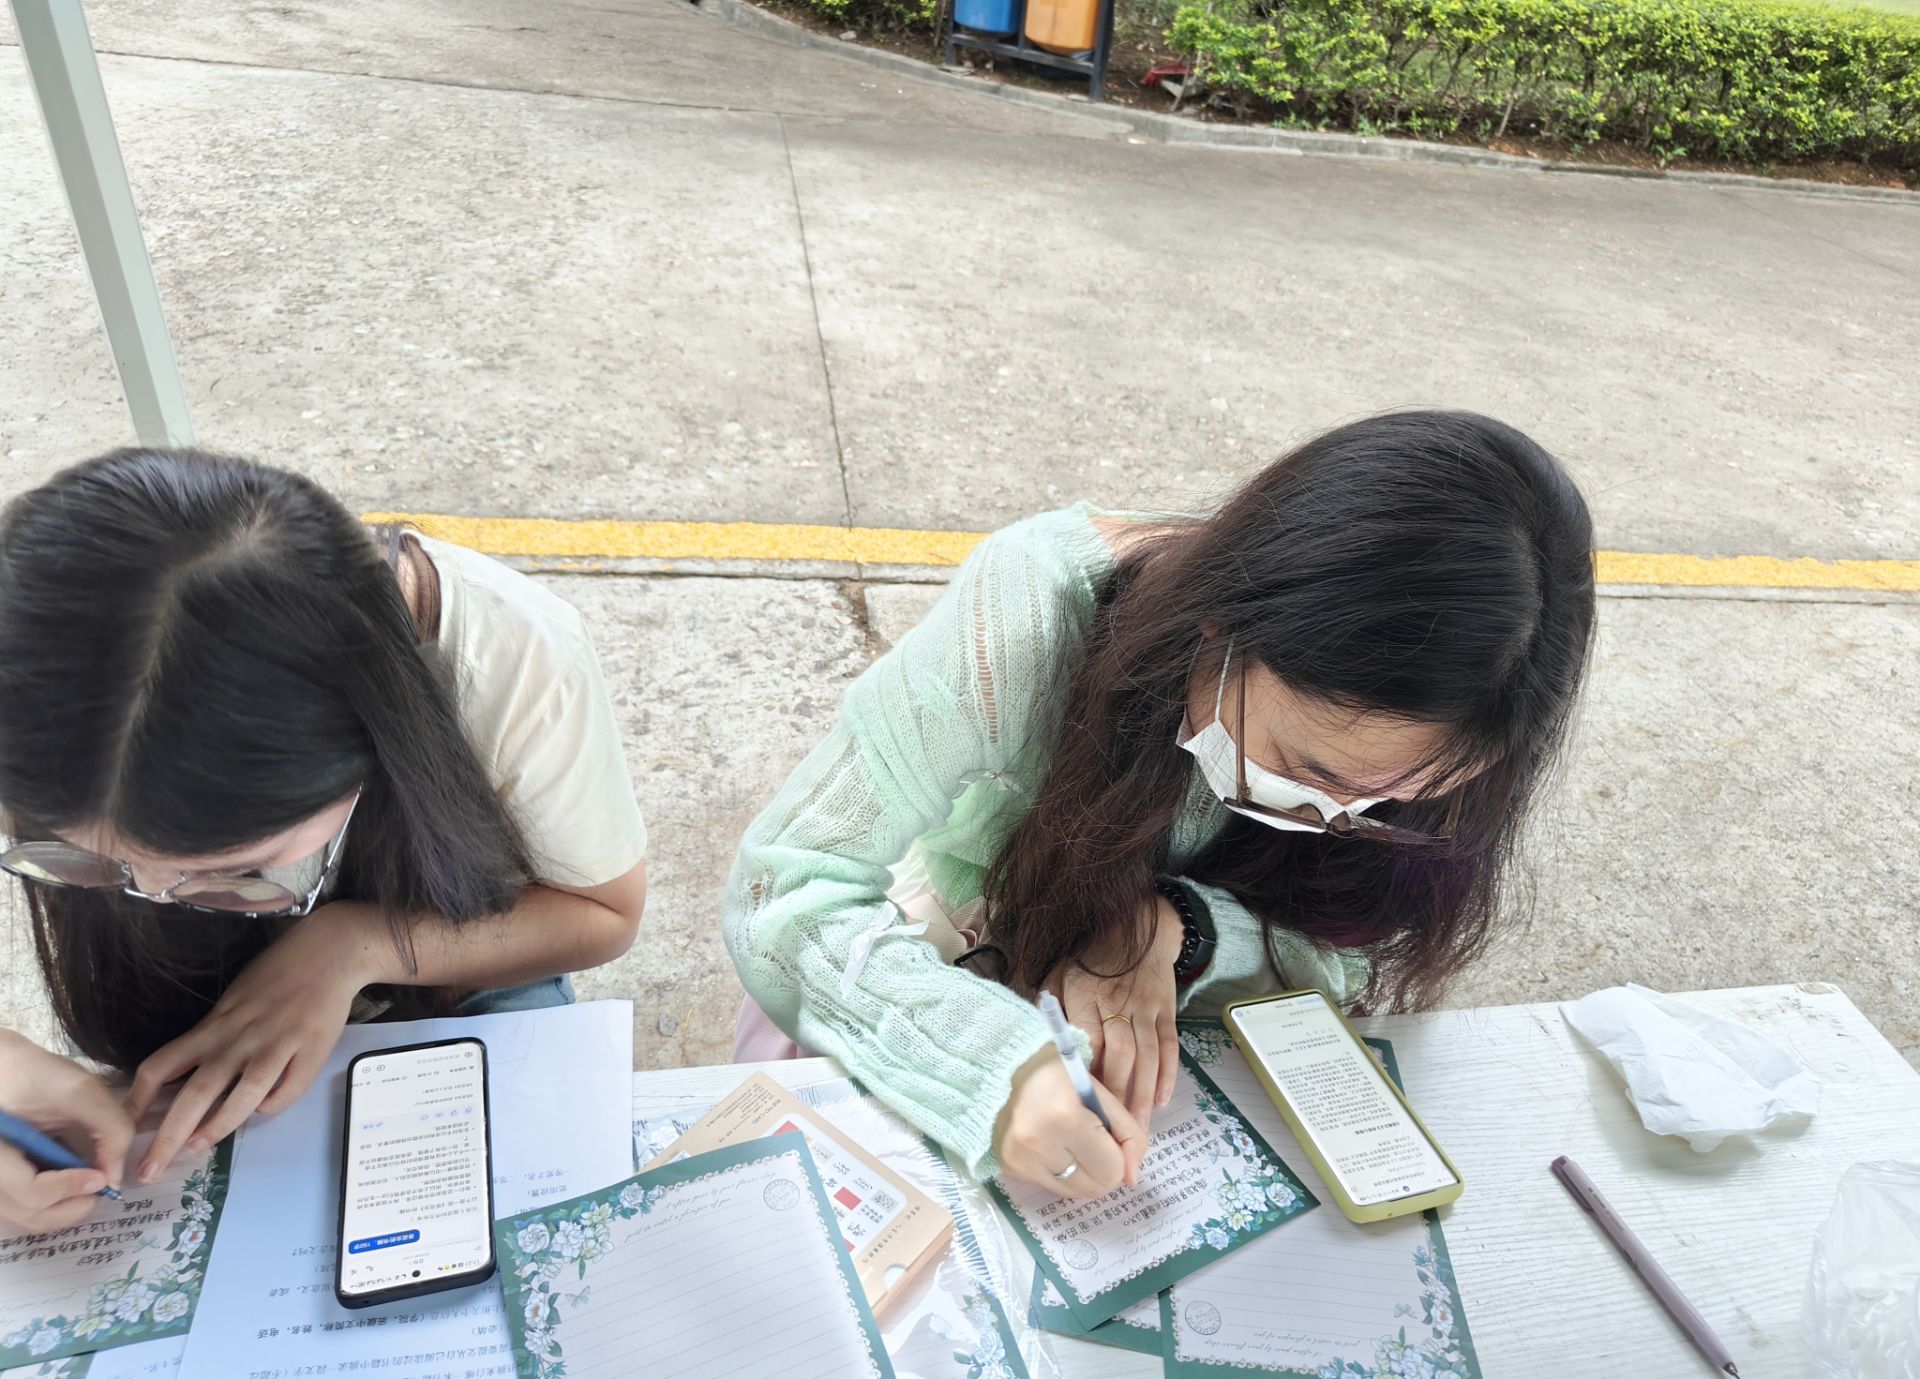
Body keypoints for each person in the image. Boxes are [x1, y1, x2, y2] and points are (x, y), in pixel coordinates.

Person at [726, 410, 1596, 1200]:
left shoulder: (1470, 723)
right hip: (938, 961)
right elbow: (788, 886)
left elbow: (1362, 954)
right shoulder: (1029, 615)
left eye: (1397, 798)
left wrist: (1179, 927)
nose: (1332, 817)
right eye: (1304, 768)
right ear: (1220, 629)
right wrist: (991, 1071)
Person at [0, 450, 649, 1231]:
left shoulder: (512, 656)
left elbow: (602, 912)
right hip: (181, 995)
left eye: (238, 870)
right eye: (88, 861)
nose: (156, 898)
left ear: (374, 741)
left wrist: (355, 947)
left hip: (454, 945)